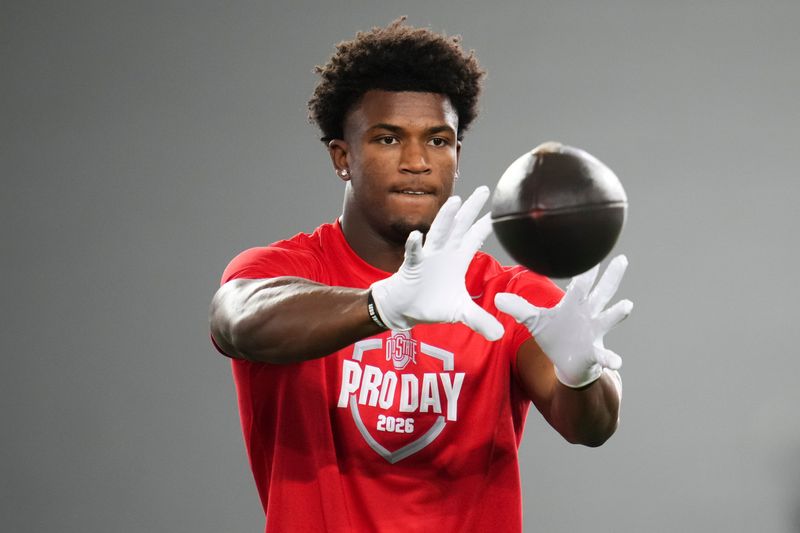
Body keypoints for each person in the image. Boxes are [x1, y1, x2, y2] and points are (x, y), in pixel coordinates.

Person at [209, 18, 632, 533]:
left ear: (457, 155)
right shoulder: (284, 269)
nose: (416, 162)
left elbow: (588, 427)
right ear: (342, 157)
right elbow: (236, 321)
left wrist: (582, 375)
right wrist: (382, 305)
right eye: (388, 139)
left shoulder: (506, 295)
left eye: (437, 140)